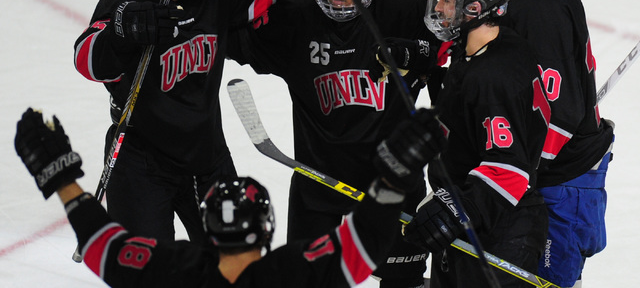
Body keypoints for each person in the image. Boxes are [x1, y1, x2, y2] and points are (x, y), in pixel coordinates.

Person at [73, 0, 379, 244]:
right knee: (144, 273)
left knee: (231, 263)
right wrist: (122, 30)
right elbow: (87, 60)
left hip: (205, 155)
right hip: (142, 161)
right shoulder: (126, 2)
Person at [227, 0, 449, 288]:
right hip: (319, 186)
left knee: (402, 282)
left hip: (392, 181)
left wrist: (417, 54)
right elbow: (230, 19)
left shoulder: (403, 10)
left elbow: (457, 51)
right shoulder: (295, 16)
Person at [13, 104, 444, 287]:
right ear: (266, 227)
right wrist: (393, 177)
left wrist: (62, 180)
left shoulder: (172, 271)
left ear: (208, 225)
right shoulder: (291, 275)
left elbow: (100, 245)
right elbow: (366, 243)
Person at [467, 0, 615, 287]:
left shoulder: (539, 8)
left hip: (565, 180)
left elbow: (562, 113)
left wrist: (516, 173)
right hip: (561, 176)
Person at [401, 0, 551, 287]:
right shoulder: (488, 45)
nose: (439, 8)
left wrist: (455, 209)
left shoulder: (494, 77)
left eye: (448, 0)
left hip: (500, 228)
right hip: (474, 218)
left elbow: (509, 169)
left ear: (475, 8)